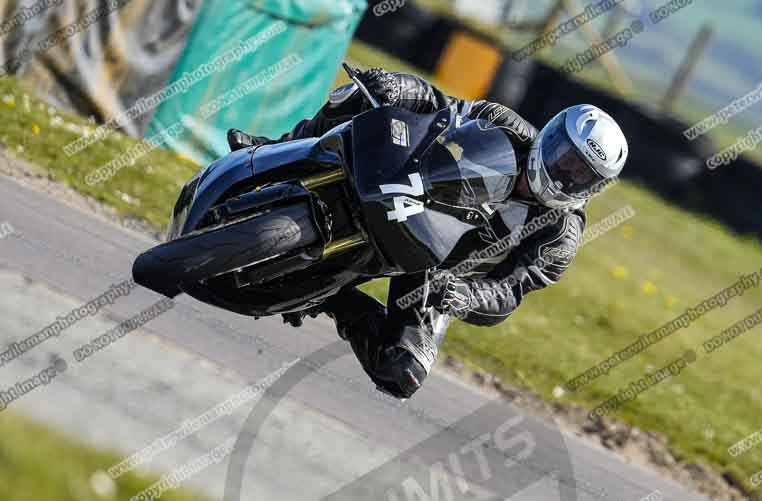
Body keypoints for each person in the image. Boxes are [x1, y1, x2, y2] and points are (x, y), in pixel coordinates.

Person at [227, 67, 628, 399]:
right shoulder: (506, 125)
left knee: (402, 373)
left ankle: (330, 297)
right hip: (413, 201)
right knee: (358, 96)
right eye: (567, 158)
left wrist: (462, 295)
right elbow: (443, 110)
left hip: (438, 275)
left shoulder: (560, 236)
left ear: (594, 189)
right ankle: (270, 153)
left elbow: (509, 292)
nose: (566, 173)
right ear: (552, 137)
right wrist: (399, 86)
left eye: (582, 175)